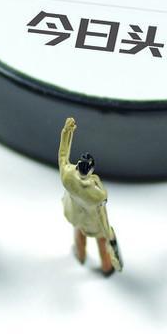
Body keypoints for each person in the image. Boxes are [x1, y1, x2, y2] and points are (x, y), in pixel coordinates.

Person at [58, 117, 122, 275]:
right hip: (93, 223)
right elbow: (102, 216)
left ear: (78, 165)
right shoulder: (98, 194)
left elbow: (63, 154)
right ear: (91, 170)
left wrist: (67, 131)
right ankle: (107, 267)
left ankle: (80, 256)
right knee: (102, 241)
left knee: (78, 232)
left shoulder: (67, 175)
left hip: (76, 215)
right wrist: (109, 235)